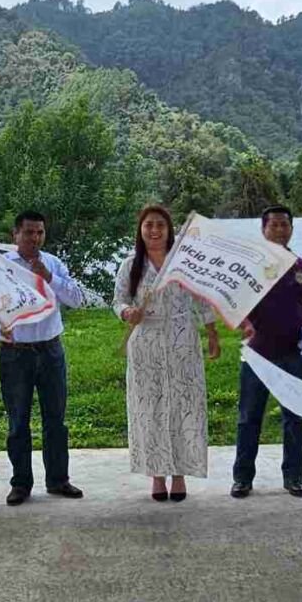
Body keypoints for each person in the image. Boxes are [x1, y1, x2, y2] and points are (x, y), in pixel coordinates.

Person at [114, 205, 221, 502]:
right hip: (145, 343)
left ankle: (180, 475)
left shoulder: (184, 263)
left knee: (184, 406)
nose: (154, 230)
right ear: (141, 229)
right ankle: (157, 476)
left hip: (182, 341)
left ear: (169, 229)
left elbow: (202, 299)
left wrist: (211, 333)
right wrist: (127, 313)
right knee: (149, 409)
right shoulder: (130, 265)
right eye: (148, 225)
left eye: (160, 224)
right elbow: (118, 300)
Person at [0, 210, 84, 506]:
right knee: (18, 421)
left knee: (56, 420)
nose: (34, 238)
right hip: (16, 354)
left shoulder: (52, 263)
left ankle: (58, 480)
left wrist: (48, 277)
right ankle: (21, 484)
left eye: (39, 232)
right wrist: (2, 326)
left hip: (50, 350)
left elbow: (75, 299)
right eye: (28, 232)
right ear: (15, 234)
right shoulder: (0, 266)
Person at [231, 205, 302, 499]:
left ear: (291, 229)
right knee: (249, 417)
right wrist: (245, 324)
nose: (280, 230)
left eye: (285, 225)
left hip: (294, 354)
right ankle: (242, 478)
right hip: (257, 355)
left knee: (294, 417)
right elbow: (235, 305)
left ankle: (294, 477)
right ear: (263, 230)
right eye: (274, 225)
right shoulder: (250, 266)